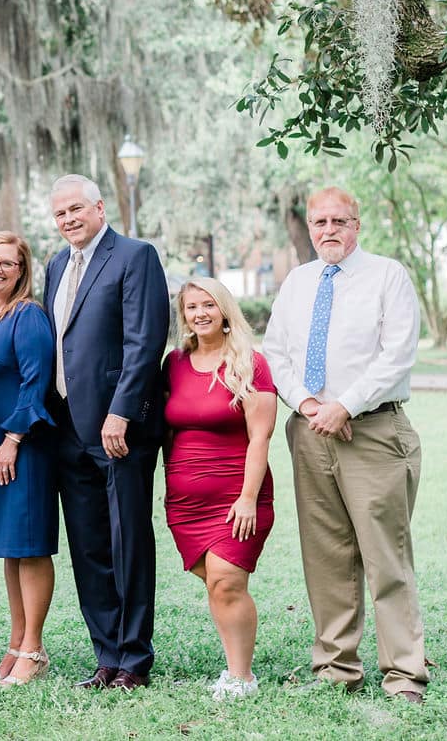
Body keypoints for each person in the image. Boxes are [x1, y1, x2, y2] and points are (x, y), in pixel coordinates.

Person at [262, 187, 427, 704]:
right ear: (309, 227)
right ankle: (336, 667)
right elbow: (275, 353)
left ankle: (404, 674)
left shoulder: (387, 276)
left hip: (372, 432)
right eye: (319, 222)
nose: (328, 230)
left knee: (386, 556)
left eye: (338, 220)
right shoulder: (298, 281)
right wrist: (311, 406)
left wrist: (345, 406)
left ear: (357, 223)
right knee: (326, 554)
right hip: (311, 433)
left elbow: (396, 355)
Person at [43, 174, 169, 692]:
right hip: (68, 429)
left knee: (128, 540)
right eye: (60, 214)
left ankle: (134, 659)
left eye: (76, 209)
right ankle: (106, 655)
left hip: (118, 428)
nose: (69, 220)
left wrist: (122, 412)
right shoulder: (55, 265)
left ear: (99, 207)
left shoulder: (135, 256)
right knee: (89, 545)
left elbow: (145, 340)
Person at [162, 277, 277, 699]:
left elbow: (260, 436)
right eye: (191, 307)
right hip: (186, 501)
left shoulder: (251, 363)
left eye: (208, 304)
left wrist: (248, 498)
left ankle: (240, 676)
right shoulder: (173, 363)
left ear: (224, 309)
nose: (200, 314)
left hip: (237, 495)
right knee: (212, 580)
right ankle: (234, 662)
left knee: (228, 582)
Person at [0, 233, 57, 688]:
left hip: (22, 445)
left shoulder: (28, 316)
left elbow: (36, 381)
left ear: (22, 271)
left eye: (7, 262)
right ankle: (15, 645)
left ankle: (34, 650)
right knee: (10, 547)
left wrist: (13, 438)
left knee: (30, 544)